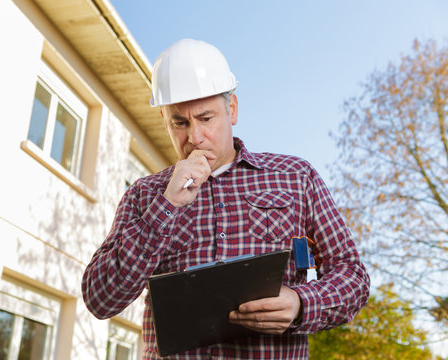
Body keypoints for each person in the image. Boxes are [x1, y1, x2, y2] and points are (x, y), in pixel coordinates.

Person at [82, 38, 370, 359]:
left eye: (206, 118)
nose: (194, 137)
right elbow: (100, 299)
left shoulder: (296, 177)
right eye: (179, 122)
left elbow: (352, 276)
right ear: (164, 120)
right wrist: (166, 207)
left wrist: (301, 303)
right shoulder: (144, 194)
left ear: (232, 110)